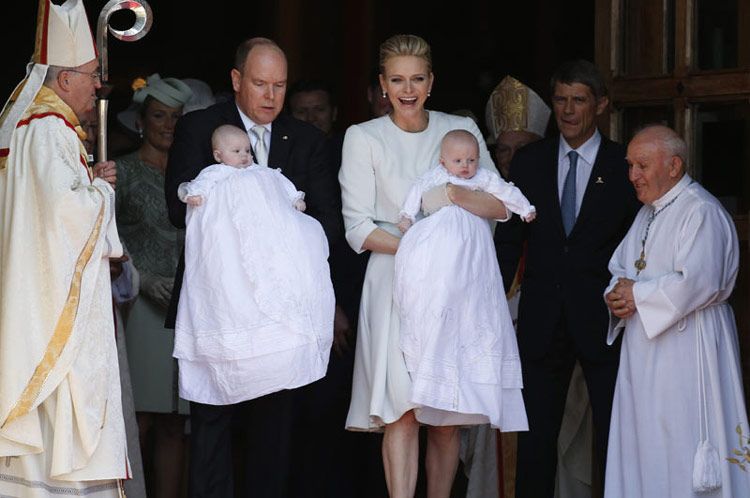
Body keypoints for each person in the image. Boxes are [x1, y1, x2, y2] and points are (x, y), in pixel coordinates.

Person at [164, 37, 341, 498]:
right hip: (218, 303)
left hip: (281, 311)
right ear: (237, 80)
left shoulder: (305, 139)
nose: (270, 96)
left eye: (280, 85)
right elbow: (173, 204)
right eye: (260, 83)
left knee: (274, 426)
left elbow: (328, 220)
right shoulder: (201, 128)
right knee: (211, 418)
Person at [340, 34, 507, 498]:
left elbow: (498, 204)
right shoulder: (362, 137)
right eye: (396, 80)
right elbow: (357, 227)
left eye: (416, 79)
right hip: (392, 283)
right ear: (382, 84)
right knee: (402, 411)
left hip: (454, 287)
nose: (407, 89)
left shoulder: (460, 130)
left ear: (431, 82)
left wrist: (453, 195)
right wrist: (423, 247)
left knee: (445, 413)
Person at [494, 59, 641, 498]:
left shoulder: (623, 164)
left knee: (614, 436)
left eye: (579, 100)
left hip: (605, 320)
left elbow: (640, 241)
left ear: (601, 105)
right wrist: (492, 297)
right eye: (561, 100)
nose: (569, 111)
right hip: (542, 319)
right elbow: (508, 240)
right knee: (536, 440)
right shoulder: (529, 162)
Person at [0, 0, 127, 496]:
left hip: (41, 296)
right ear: (65, 77)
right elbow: (63, 216)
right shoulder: (48, 130)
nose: (98, 85)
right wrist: (102, 192)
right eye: (92, 75)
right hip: (53, 308)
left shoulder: (37, 129)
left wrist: (88, 180)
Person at [603, 124, 750, 497]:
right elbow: (622, 268)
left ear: (673, 166)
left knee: (682, 441)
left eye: (642, 165)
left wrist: (638, 295)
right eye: (630, 165)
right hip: (643, 352)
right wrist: (616, 295)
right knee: (646, 444)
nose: (633, 175)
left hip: (688, 350)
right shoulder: (649, 212)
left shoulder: (701, 211)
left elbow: (699, 281)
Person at [174, 123, 333, 404]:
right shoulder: (214, 174)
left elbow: (284, 184)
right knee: (234, 289)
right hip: (230, 245)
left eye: (247, 150)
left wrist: (295, 199)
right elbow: (192, 189)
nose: (245, 156)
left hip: (265, 245)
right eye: (237, 151)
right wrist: (192, 195)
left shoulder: (260, 172)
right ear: (219, 155)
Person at [394, 129, 533, 430]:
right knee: (438, 303)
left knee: (472, 310)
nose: (466, 166)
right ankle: (435, 381)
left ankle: (472, 390)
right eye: (459, 161)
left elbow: (504, 193)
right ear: (443, 161)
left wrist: (526, 209)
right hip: (438, 252)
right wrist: (406, 216)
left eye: (471, 160)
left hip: (473, 255)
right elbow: (417, 192)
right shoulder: (433, 176)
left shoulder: (481, 178)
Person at [113, 73, 193, 498]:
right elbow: (106, 236)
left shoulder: (193, 176)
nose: (168, 125)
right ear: (141, 121)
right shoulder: (121, 172)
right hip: (136, 304)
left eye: (176, 117)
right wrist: (141, 279)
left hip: (184, 307)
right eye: (159, 116)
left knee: (174, 421)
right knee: (137, 416)